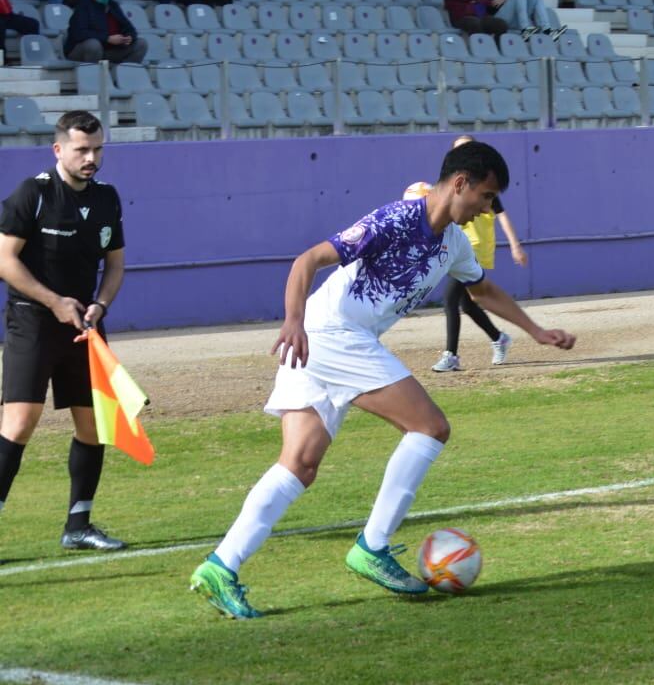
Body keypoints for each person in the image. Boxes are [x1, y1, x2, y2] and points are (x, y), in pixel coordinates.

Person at [189, 141, 575, 619]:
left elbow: (482, 289)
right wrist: (292, 320)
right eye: (486, 196)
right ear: (460, 184)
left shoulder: (453, 242)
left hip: (333, 339)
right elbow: (306, 261)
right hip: (330, 334)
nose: (488, 208)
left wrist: (535, 330)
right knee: (430, 427)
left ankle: (220, 567)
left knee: (299, 463)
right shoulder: (394, 219)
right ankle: (373, 546)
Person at [0, 111, 128, 554]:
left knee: (94, 425)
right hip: (32, 321)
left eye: (97, 150)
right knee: (18, 424)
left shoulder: (108, 198)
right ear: (59, 150)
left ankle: (79, 525)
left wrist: (100, 304)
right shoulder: (32, 194)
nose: (91, 158)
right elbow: (5, 261)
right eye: (82, 150)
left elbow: (114, 265)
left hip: (85, 327)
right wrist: (54, 302)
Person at [427, 137, 529, 372]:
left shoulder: (485, 188)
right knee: (469, 304)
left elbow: (502, 216)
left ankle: (451, 355)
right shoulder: (453, 186)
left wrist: (515, 245)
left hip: (475, 248)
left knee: (451, 299)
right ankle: (499, 337)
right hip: (457, 248)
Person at [64, 0, 147, 65]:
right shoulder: (84, 5)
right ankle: (92, 74)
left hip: (110, 50)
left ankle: (124, 73)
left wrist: (128, 38)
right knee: (93, 45)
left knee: (141, 44)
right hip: (83, 50)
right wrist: (107, 39)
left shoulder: (113, 5)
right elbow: (78, 33)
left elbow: (129, 28)